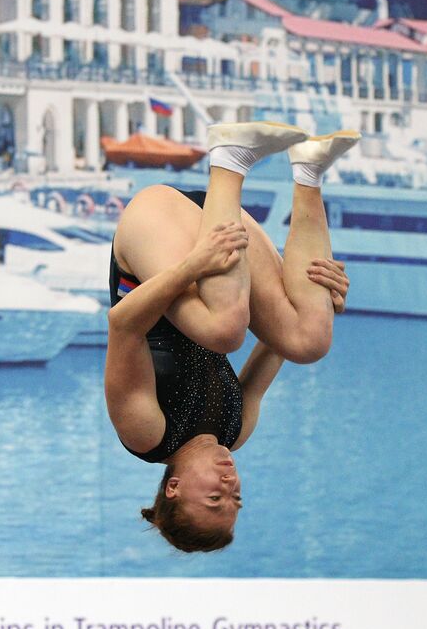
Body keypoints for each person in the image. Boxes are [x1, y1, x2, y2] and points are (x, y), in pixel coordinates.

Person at [105, 122, 359, 553]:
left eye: (214, 498)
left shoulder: (145, 433)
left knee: (224, 329)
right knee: (310, 341)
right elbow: (279, 343)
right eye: (236, 499)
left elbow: (123, 324)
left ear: (173, 489)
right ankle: (309, 171)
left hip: (155, 224)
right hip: (219, 222)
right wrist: (321, 300)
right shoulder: (235, 431)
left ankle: (229, 158)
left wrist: (193, 265)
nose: (231, 486)